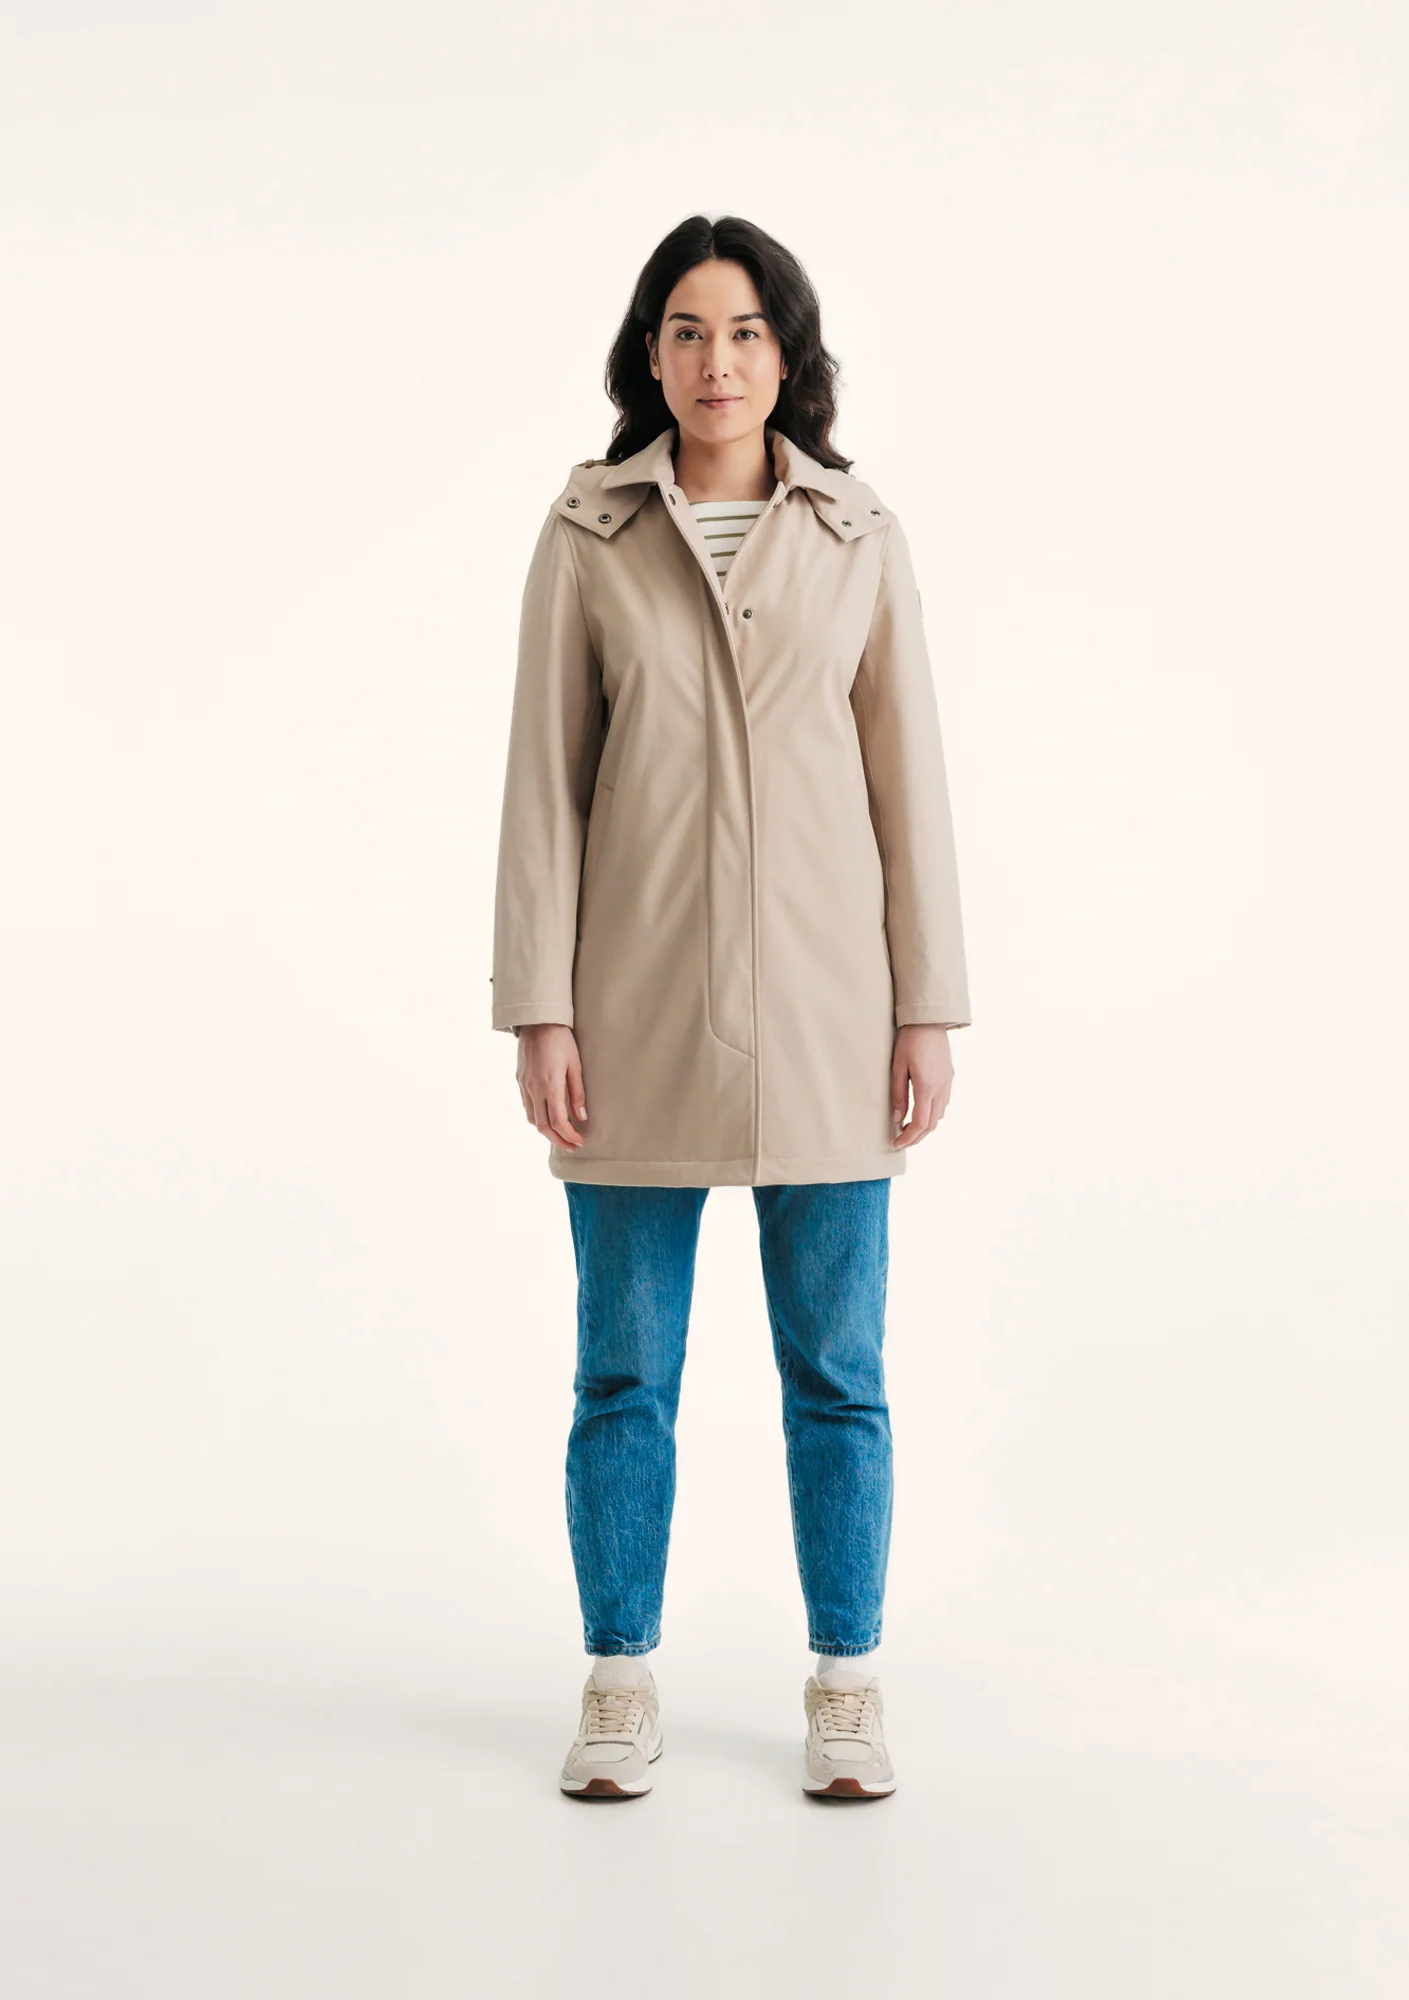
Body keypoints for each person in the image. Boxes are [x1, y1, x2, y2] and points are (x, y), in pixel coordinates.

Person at [490, 213, 971, 1801]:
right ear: (652, 353)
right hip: (631, 1011)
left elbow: (909, 786)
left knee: (840, 1372)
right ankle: (619, 1680)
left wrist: (927, 1007)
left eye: (748, 332)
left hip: (834, 1015)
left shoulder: (858, 534)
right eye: (689, 331)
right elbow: (545, 787)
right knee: (623, 1374)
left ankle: (848, 1683)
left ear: (788, 352)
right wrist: (539, 1008)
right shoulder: (588, 533)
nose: (719, 361)